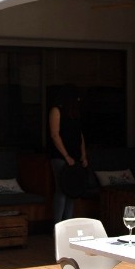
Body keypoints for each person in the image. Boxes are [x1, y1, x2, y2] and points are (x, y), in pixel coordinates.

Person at [47, 84, 88, 222]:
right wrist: (66, 156)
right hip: (60, 156)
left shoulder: (74, 112)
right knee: (62, 189)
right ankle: (57, 225)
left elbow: (79, 135)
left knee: (72, 191)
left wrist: (83, 155)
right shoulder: (56, 110)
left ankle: (68, 223)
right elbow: (54, 134)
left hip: (75, 156)